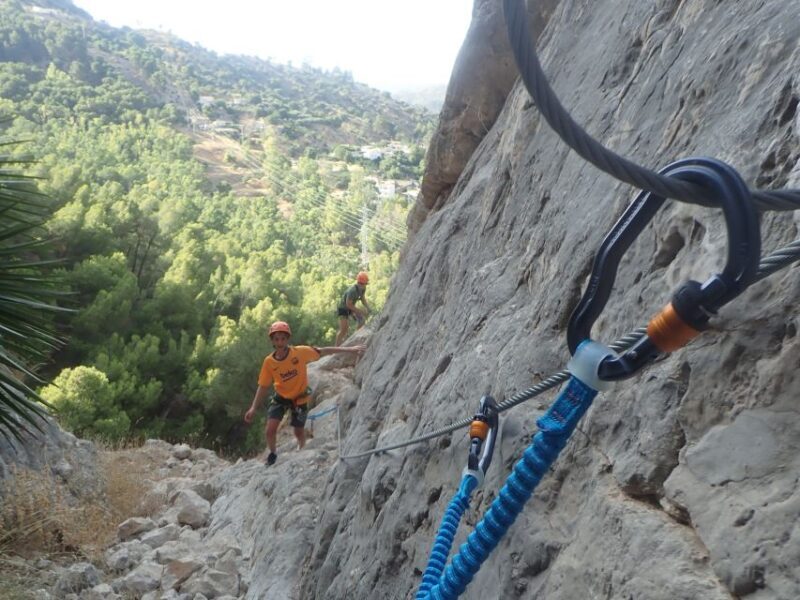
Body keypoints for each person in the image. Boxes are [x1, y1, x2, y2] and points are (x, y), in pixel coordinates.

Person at [244, 320, 365, 466]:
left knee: (298, 431)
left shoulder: (299, 352)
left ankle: (301, 448)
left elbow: (324, 350)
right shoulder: (269, 362)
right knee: (270, 430)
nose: (280, 342)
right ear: (273, 341)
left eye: (283, 338)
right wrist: (253, 407)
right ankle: (273, 453)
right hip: (281, 398)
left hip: (300, 398)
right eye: (277, 339)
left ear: (287, 339)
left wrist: (351, 349)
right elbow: (263, 386)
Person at [336, 271, 371, 346]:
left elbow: (362, 298)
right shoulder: (352, 291)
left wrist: (368, 307)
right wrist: (361, 311)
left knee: (361, 320)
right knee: (344, 329)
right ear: (361, 283)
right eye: (364, 283)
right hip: (343, 308)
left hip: (350, 308)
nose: (365, 285)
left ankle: (355, 338)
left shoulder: (362, 289)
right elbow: (348, 304)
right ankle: (336, 347)